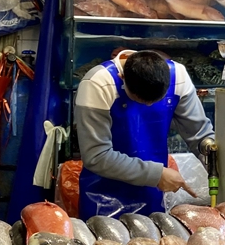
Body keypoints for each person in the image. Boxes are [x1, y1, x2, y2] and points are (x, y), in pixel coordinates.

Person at [75, 49, 215, 218]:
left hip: (152, 194)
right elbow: (97, 156)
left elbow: (200, 135)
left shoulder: (178, 77)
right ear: (122, 78)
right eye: (141, 100)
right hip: (103, 200)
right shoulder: (97, 83)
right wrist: (157, 174)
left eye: (155, 101)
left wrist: (215, 163)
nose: (149, 105)